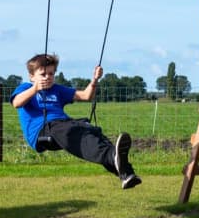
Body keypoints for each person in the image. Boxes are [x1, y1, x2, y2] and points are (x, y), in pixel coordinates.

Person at [11, 53, 141, 189]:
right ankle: (112, 155)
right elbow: (16, 103)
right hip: (42, 131)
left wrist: (95, 80)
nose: (48, 77)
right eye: (43, 74)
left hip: (63, 124)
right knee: (68, 129)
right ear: (32, 76)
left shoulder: (57, 90)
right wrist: (35, 88)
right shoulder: (25, 88)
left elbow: (86, 95)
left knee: (90, 130)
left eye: (51, 74)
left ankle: (125, 173)